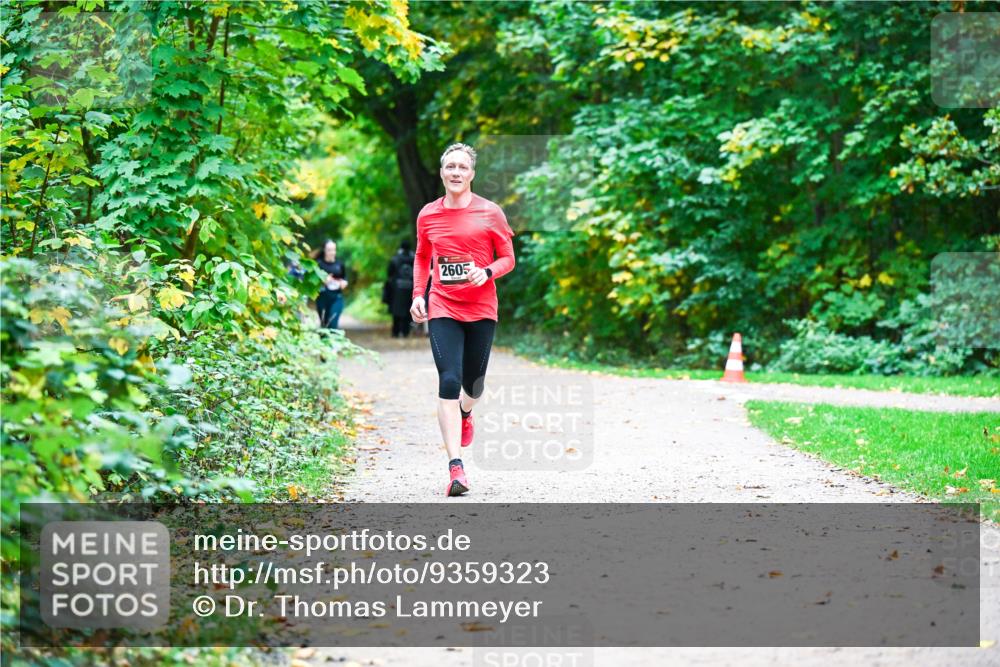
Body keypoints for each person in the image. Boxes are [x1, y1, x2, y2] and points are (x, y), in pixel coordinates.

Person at [410, 143, 515, 497]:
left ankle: (466, 414)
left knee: (474, 383)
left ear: (472, 174)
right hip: (443, 305)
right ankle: (456, 468)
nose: (456, 172)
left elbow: (509, 259)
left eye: (462, 167)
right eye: (450, 166)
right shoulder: (428, 215)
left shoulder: (491, 212)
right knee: (449, 378)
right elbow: (423, 257)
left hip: (482, 307)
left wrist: (486, 272)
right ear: (442, 173)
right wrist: (417, 295)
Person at [311, 239, 348, 330]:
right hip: (322, 297)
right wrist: (322, 280)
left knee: (333, 322)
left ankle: (334, 342)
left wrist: (344, 283)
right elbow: (311, 280)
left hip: (336, 297)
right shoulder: (318, 264)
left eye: (334, 250)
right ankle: (324, 342)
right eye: (329, 250)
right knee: (324, 324)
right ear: (324, 250)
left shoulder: (339, 264)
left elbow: (345, 278)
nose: (332, 252)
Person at [385, 240, 416, 338]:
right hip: (410, 288)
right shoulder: (414, 259)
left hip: (396, 290)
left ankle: (395, 332)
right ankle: (406, 332)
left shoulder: (395, 259)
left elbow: (389, 274)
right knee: (408, 311)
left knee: (396, 312)